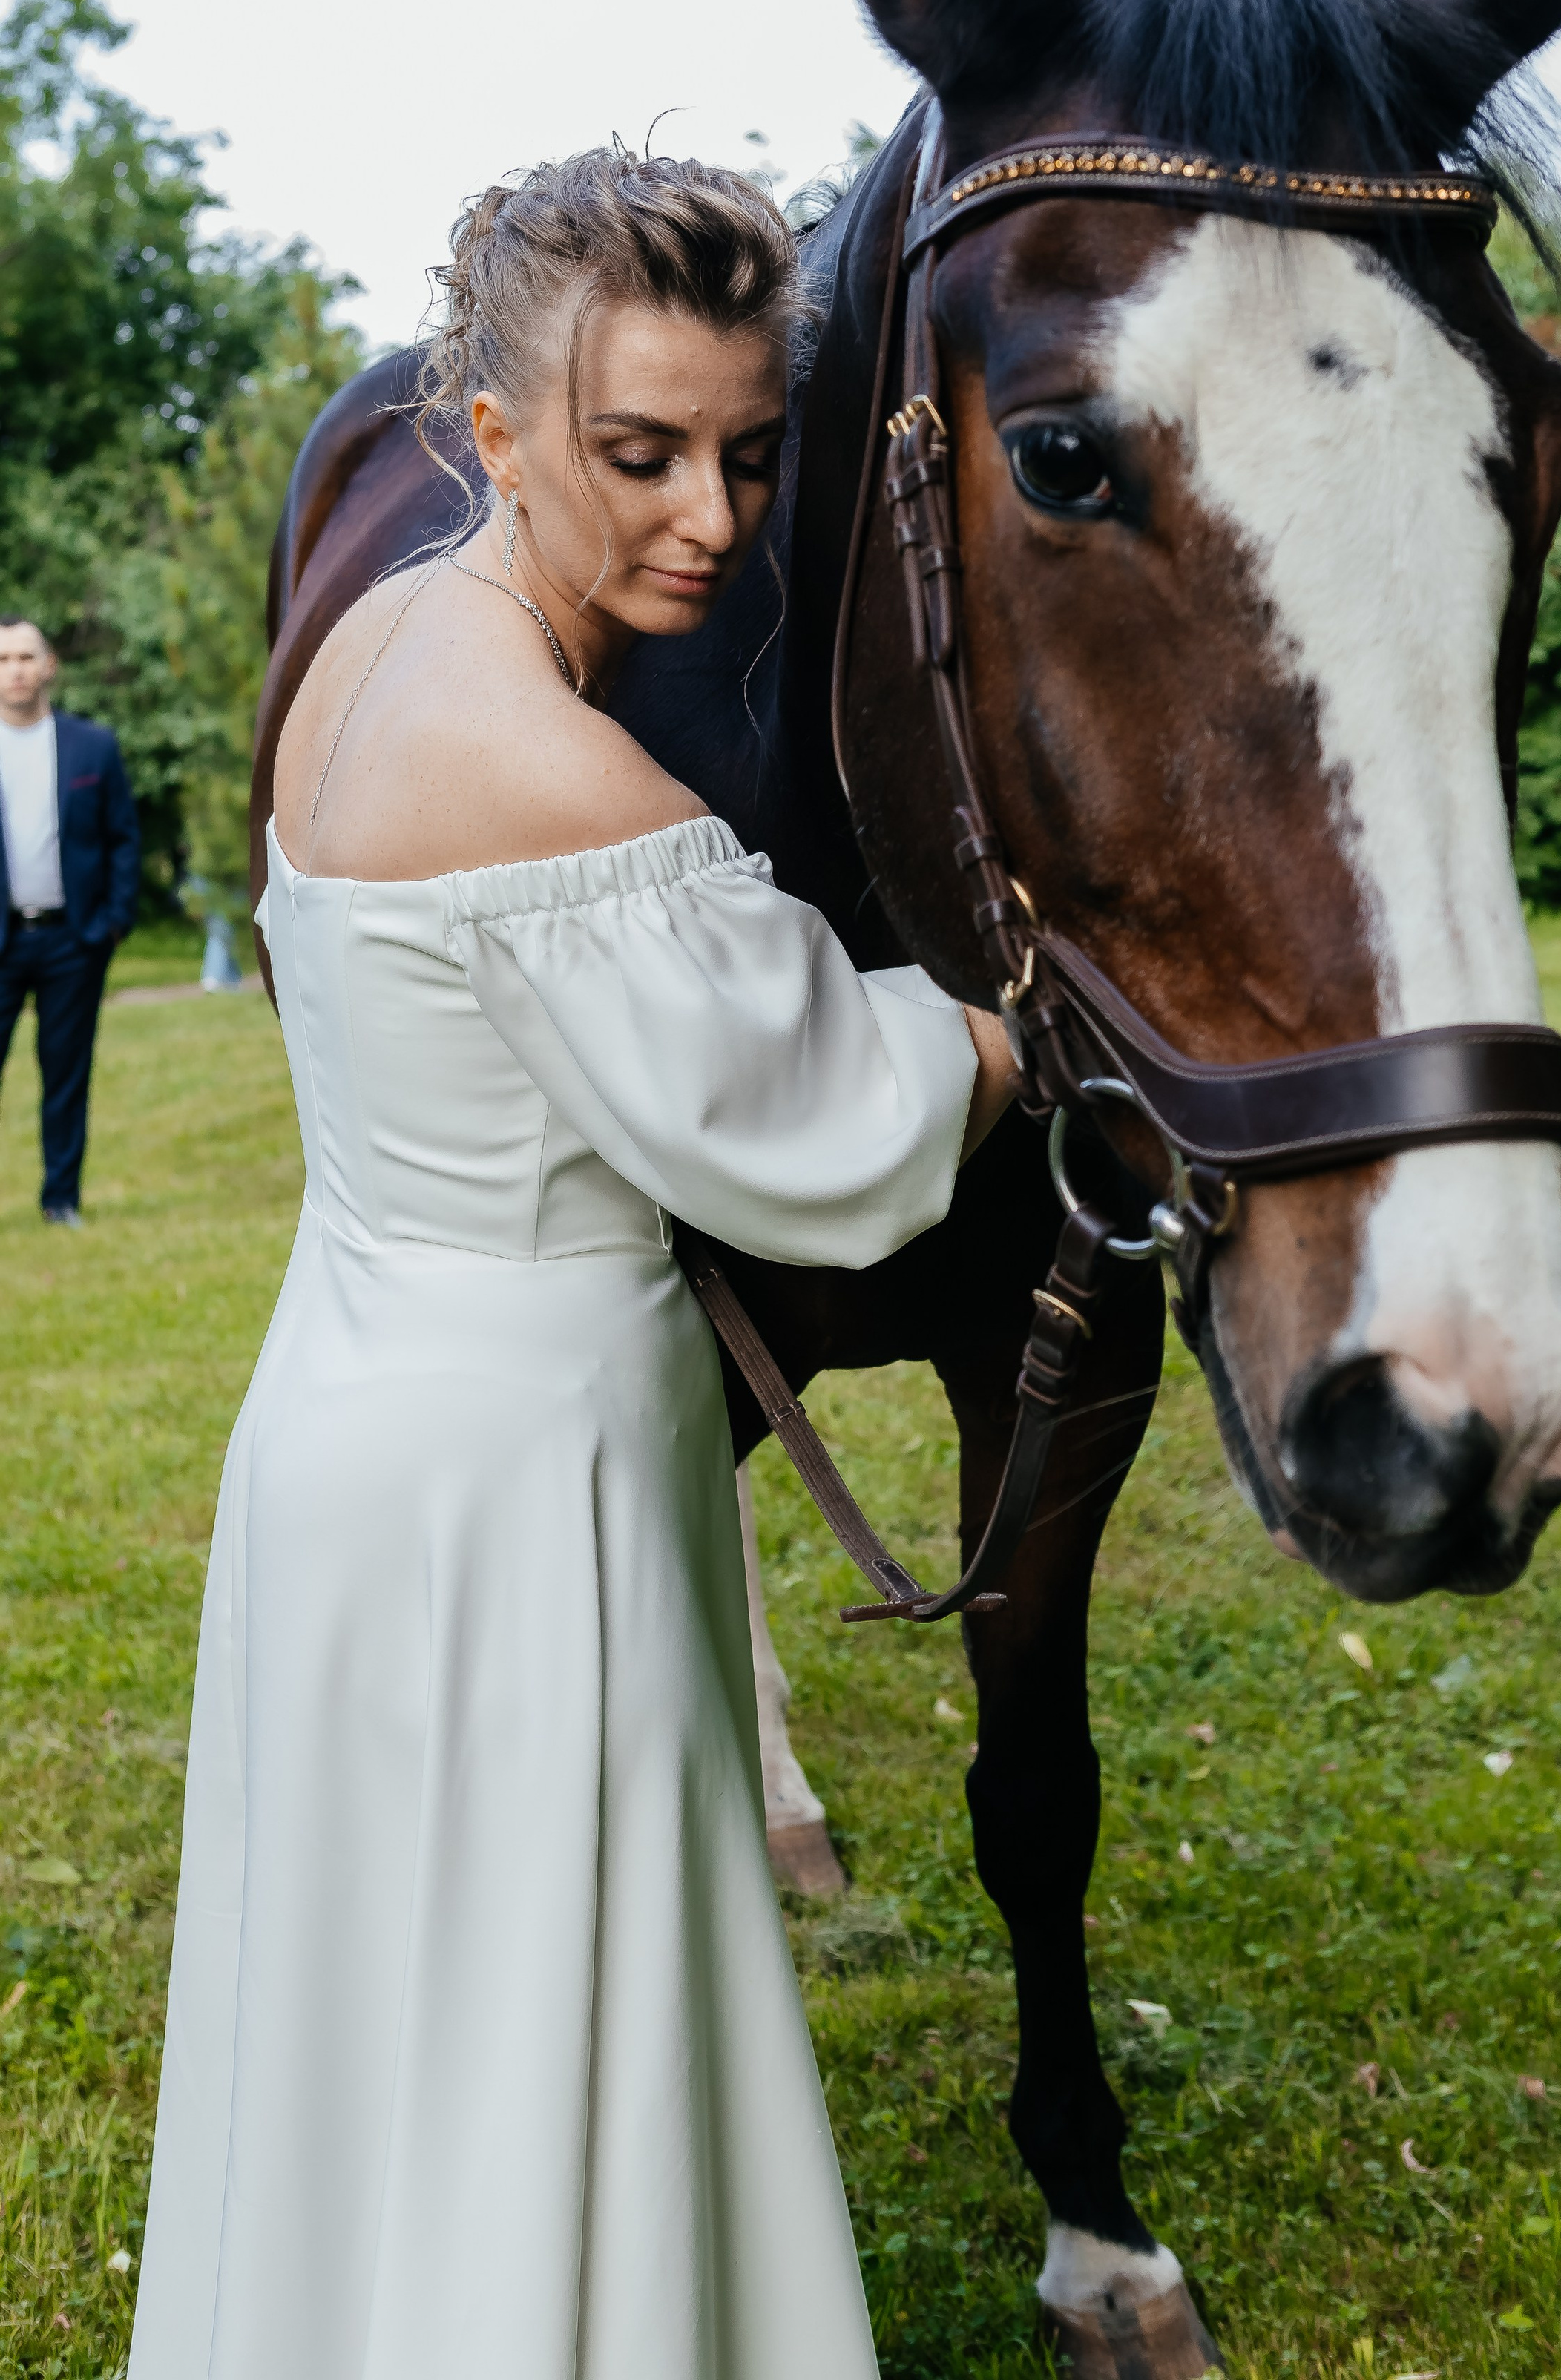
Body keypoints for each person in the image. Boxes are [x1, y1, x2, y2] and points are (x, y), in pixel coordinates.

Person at [129, 150, 1016, 2380]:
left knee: (388, 2038)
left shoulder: (369, 644)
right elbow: (827, 1112)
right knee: (538, 2013)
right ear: (491, 428)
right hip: (518, 1496)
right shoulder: (561, 777)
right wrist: (1014, 1027)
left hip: (344, 1434)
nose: (707, 516)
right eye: (636, 453)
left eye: (742, 447)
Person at [0, 617, 141, 1225]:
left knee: (65, 1076)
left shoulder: (93, 747)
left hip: (71, 942)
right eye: (3, 659)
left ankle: (61, 1200)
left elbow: (123, 842)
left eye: (26, 657)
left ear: (49, 665)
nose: (16, 670)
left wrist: (110, 927)